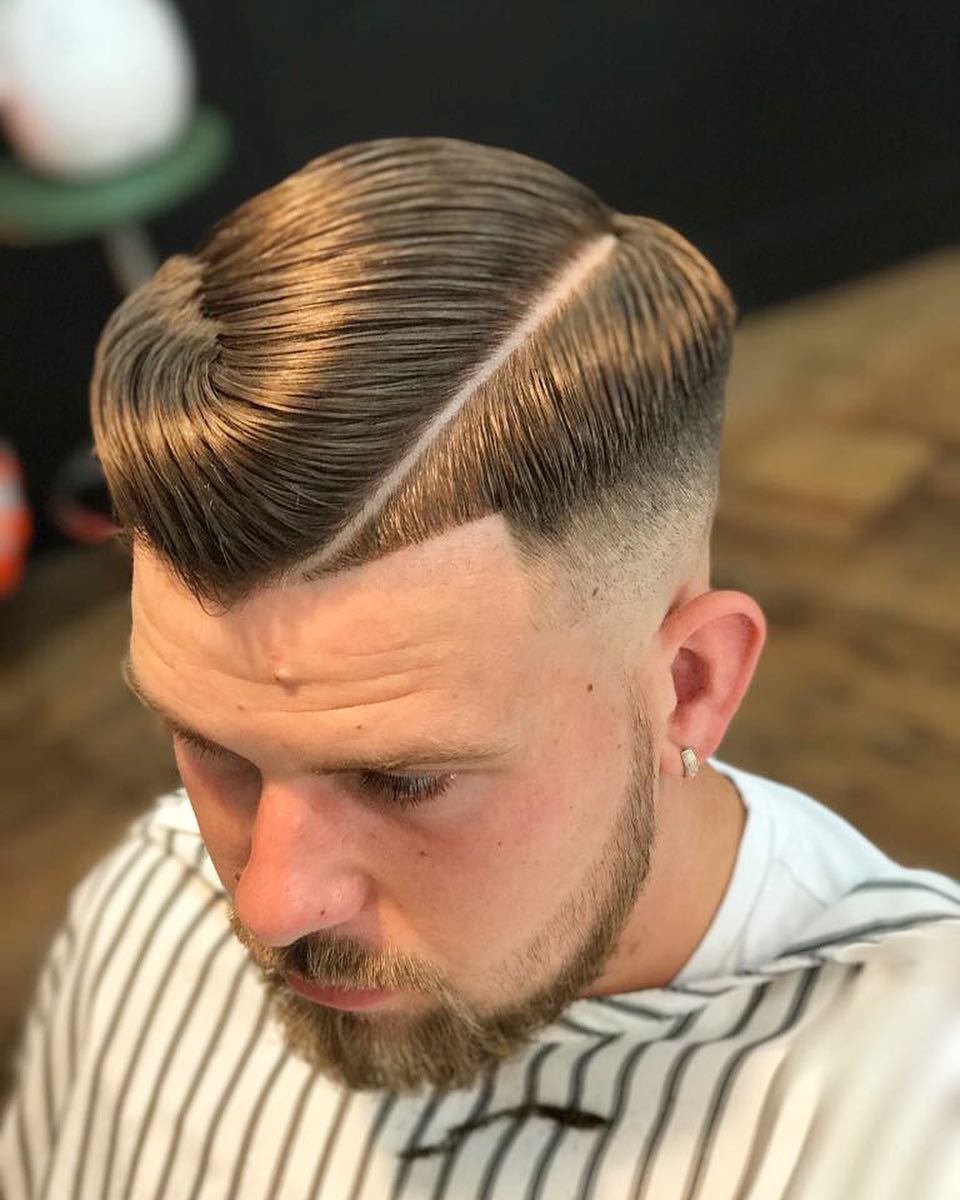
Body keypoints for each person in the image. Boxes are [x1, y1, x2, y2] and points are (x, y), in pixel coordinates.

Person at [2, 136, 958, 1200]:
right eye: (211, 748)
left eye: (405, 780)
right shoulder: (145, 912)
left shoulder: (924, 1127)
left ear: (692, 685)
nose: (267, 909)